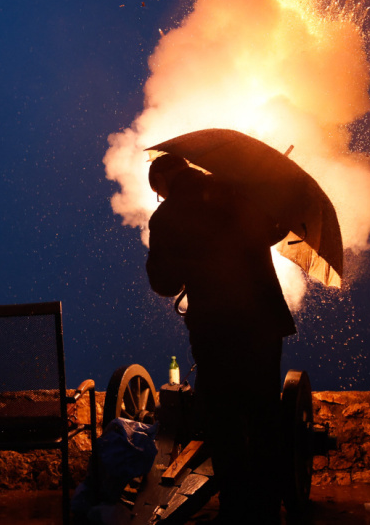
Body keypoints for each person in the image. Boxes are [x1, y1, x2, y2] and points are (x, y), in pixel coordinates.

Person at [145, 154, 296, 524]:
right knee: (264, 416)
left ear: (164, 177)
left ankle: (234, 509)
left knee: (224, 422)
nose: (160, 198)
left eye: (158, 191)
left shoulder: (167, 217)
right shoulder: (236, 190)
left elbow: (164, 283)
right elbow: (274, 230)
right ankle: (265, 510)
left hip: (214, 329)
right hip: (261, 322)